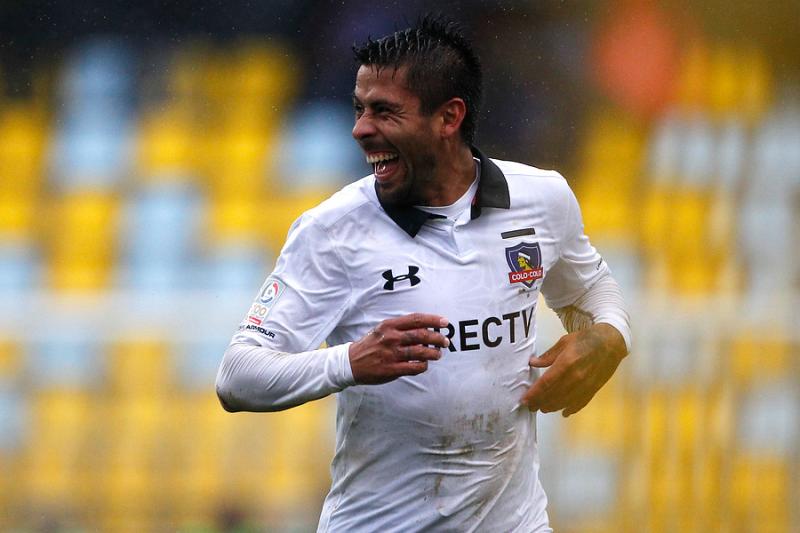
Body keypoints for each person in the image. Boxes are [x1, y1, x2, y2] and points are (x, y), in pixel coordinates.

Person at [216, 15, 631, 533]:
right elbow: (237, 377)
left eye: (384, 112)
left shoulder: (540, 200)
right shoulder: (332, 231)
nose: (361, 129)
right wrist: (350, 361)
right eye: (359, 109)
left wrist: (611, 335)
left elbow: (590, 288)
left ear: (449, 117)